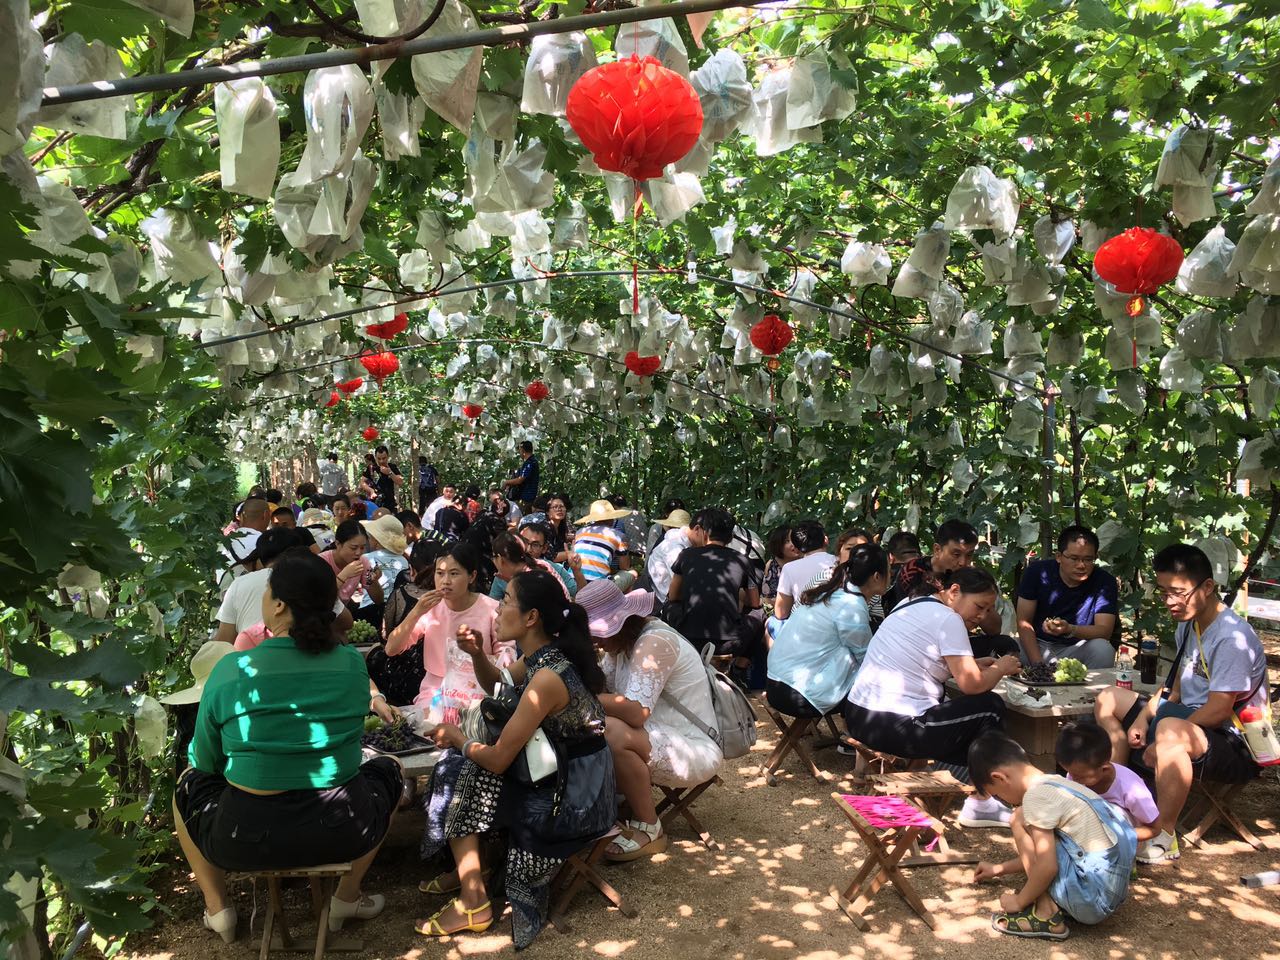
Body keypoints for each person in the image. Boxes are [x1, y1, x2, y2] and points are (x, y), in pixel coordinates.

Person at [173, 550, 403, 943]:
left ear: (279, 605)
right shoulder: (351, 663)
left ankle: (218, 909)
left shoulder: (232, 669)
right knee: (390, 769)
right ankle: (347, 896)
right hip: (342, 829)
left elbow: (205, 761)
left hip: (243, 838)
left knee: (186, 784)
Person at [417, 571, 616, 947]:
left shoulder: (547, 677)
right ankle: (470, 871)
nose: (497, 609)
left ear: (531, 617)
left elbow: (497, 759)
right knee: (461, 767)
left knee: (462, 772)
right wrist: (478, 654)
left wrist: (457, 737)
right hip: (565, 776)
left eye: (506, 600)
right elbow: (498, 684)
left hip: (576, 798)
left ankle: (473, 896)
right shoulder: (543, 656)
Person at [1093, 543, 1265, 863]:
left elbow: (1219, 710)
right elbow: (1176, 688)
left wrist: (1164, 735)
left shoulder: (1231, 638)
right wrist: (1144, 717)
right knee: (1108, 697)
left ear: (1207, 587)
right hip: (1189, 719)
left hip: (1235, 740)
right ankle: (1116, 798)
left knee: (1170, 731)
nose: (1169, 601)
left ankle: (1164, 834)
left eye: (1177, 592)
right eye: (1164, 592)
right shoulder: (1189, 622)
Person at [845, 564, 1022, 825]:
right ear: (954, 591)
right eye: (979, 606)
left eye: (988, 610)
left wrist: (976, 664)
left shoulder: (911, 603)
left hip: (858, 715)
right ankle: (981, 800)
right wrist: (1000, 667)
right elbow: (972, 685)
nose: (982, 616)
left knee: (967, 715)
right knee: (990, 707)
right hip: (894, 726)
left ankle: (975, 792)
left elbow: (916, 659)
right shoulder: (949, 619)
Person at [578, 579, 723, 861]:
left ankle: (649, 827)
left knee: (610, 732)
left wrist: (576, 695)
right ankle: (612, 804)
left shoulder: (654, 642)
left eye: (598, 634)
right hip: (660, 736)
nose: (596, 641)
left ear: (623, 621)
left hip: (694, 747)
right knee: (596, 725)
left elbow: (635, 711)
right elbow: (605, 690)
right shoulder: (622, 645)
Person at [970, 731, 1136, 941]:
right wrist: (999, 869)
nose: (1003, 799)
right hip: (1112, 891)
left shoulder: (1035, 798)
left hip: (1091, 898)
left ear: (999, 778)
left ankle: (1046, 914)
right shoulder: (1058, 784)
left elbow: (1047, 865)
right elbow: (1050, 852)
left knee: (1018, 818)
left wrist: (1019, 901)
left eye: (997, 794)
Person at [384, 542, 514, 722]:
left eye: (454, 573)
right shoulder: (429, 608)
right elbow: (391, 649)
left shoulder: (491, 609)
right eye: (440, 573)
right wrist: (415, 612)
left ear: (472, 576)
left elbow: (506, 659)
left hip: (478, 693)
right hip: (434, 693)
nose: (445, 581)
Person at [767, 543, 888, 719]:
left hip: (775, 682)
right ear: (877, 576)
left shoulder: (832, 591)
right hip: (800, 695)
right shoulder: (851, 604)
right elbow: (866, 657)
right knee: (876, 681)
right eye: (889, 571)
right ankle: (854, 733)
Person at [882, 519, 1010, 652]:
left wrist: (981, 603)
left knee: (1005, 644)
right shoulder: (913, 572)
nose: (963, 562)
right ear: (937, 550)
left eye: (969, 555)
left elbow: (994, 629)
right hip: (916, 644)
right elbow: (924, 624)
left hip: (952, 639)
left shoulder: (968, 577)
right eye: (956, 554)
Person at [667, 508, 760, 688]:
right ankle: (739, 668)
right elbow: (755, 602)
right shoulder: (742, 560)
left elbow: (673, 595)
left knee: (669, 605)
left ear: (704, 532)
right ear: (730, 537)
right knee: (759, 613)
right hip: (728, 643)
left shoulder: (686, 555)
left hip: (688, 637)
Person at [214, 529, 353, 642]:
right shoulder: (309, 578)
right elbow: (346, 622)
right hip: (310, 655)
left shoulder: (239, 584)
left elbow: (224, 640)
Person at [1015, 526, 1118, 668]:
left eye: (1088, 559)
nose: (1081, 565)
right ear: (1059, 557)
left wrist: (1070, 629)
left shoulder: (1104, 581)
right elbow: (1024, 622)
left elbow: (1104, 631)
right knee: (1005, 647)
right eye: (1074, 558)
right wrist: (1038, 665)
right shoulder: (1037, 573)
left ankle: (1088, 684)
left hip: (1078, 648)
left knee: (1103, 650)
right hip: (1036, 645)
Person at [1056, 721, 1162, 857]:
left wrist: (1122, 836)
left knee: (1110, 812)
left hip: (1126, 837)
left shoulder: (1131, 789)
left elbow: (1155, 828)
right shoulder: (1077, 774)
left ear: (1104, 769)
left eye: (1080, 776)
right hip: (1092, 833)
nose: (1073, 779)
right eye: (1070, 773)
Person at [368, 540, 449, 707]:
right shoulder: (451, 600)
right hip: (439, 674)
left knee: (374, 653)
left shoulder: (402, 594)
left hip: (406, 677)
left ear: (411, 569)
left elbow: (386, 640)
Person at [772, 520, 836, 621]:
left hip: (806, 622)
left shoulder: (789, 568)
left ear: (797, 548)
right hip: (837, 619)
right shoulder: (839, 562)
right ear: (826, 540)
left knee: (772, 622)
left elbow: (781, 613)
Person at [358, 515, 410, 626]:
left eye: (371, 537)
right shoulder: (404, 561)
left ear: (378, 541)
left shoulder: (366, 558)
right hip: (396, 612)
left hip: (368, 610)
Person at [489, 532, 572, 600]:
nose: (493, 560)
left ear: (500, 559)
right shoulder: (540, 564)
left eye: (493, 556)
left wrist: (513, 584)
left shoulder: (527, 580)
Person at [321, 519, 379, 608]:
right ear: (338, 544)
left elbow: (378, 600)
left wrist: (374, 581)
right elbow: (321, 599)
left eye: (362, 548)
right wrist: (344, 575)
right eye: (353, 548)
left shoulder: (362, 561)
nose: (358, 553)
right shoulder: (321, 561)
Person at [572, 499, 632, 582]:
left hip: (573, 580)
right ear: (611, 518)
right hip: (598, 584)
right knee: (632, 574)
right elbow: (624, 567)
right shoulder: (618, 536)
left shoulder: (580, 532)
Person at [517, 522, 584, 596]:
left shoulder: (553, 569)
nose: (528, 549)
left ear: (544, 548)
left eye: (535, 545)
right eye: (525, 542)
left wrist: (576, 571)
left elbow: (581, 595)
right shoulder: (507, 565)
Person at [218, 497, 270, 592]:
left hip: (224, 596)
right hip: (252, 596)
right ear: (265, 514)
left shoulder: (223, 544)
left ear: (241, 516)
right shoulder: (266, 543)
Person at [645, 508, 693, 607]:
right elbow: (680, 581)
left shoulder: (669, 540)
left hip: (661, 593)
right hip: (662, 600)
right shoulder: (674, 547)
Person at [760, 525, 799, 615]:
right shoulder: (771, 565)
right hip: (778, 614)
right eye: (787, 541)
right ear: (779, 545)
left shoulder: (805, 561)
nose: (792, 544)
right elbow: (766, 598)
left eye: (794, 540)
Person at [360, 444, 404, 511]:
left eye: (384, 458)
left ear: (388, 457)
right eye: (379, 459)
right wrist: (371, 491)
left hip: (389, 503)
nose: (381, 461)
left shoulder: (392, 467)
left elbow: (400, 482)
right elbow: (362, 482)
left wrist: (390, 473)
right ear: (375, 457)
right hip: (375, 503)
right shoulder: (371, 468)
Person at [502, 440, 540, 513]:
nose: (519, 453)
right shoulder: (530, 462)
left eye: (520, 450)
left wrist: (507, 482)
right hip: (526, 496)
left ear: (523, 451)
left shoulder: (530, 463)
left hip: (527, 497)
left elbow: (520, 480)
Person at [545, 494, 574, 563]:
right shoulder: (545, 528)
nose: (559, 509)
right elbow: (553, 557)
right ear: (548, 512)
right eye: (555, 507)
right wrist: (573, 552)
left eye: (561, 506)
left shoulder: (561, 527)